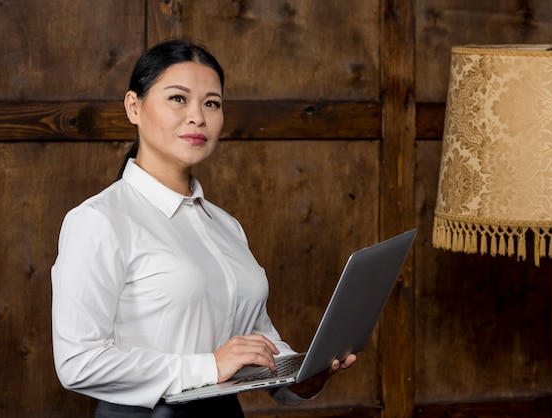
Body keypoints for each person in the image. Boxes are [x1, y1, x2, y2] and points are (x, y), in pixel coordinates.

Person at [51, 38, 356, 418]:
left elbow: (255, 344)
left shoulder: (226, 226)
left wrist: (301, 377)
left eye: (211, 103)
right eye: (178, 98)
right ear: (134, 106)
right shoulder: (99, 220)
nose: (197, 116)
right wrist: (208, 367)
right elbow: (78, 362)